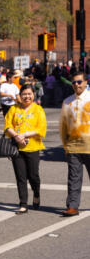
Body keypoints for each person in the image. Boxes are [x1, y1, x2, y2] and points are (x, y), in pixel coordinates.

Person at [4, 84, 47, 214]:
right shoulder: (14, 109)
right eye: (24, 94)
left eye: (29, 94)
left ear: (33, 95)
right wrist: (17, 136)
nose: (27, 96)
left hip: (33, 147)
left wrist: (25, 135)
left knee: (33, 175)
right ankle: (23, 204)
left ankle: (36, 193)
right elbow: (7, 125)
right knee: (20, 176)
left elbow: (41, 129)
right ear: (20, 96)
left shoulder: (38, 109)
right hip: (17, 148)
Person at [59, 72, 90, 216]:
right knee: (73, 178)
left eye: (79, 82)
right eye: (74, 83)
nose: (76, 85)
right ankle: (72, 206)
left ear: (85, 82)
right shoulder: (67, 101)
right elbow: (63, 125)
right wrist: (65, 145)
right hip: (73, 146)